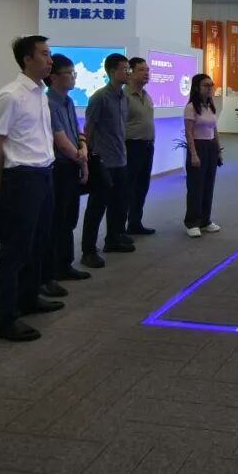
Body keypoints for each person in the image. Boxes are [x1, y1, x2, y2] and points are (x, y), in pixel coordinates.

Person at [0, 35, 63, 342]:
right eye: (44, 54)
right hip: (21, 178)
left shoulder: (40, 93)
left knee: (38, 242)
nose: (50, 60)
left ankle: (28, 298)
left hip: (44, 174)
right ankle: (5, 319)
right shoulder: (10, 96)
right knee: (15, 251)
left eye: (50, 54)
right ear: (27, 59)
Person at [43, 53, 91, 296]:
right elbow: (60, 141)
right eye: (69, 73)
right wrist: (80, 158)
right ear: (53, 77)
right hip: (58, 168)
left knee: (69, 218)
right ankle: (50, 271)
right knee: (57, 220)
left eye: (74, 73)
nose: (73, 77)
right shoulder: (48, 103)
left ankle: (65, 264)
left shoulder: (68, 101)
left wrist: (83, 151)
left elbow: (77, 131)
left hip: (72, 164)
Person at [81, 53, 134, 267]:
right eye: (125, 69)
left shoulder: (124, 98)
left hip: (120, 159)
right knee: (96, 208)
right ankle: (88, 251)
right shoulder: (99, 98)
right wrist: (88, 158)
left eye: (129, 69)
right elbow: (89, 128)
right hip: (103, 161)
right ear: (112, 72)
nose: (128, 73)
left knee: (119, 204)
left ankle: (113, 239)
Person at [183, 73, 223, 238]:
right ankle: (192, 222)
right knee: (195, 186)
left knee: (208, 185)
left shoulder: (210, 106)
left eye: (211, 85)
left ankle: (205, 221)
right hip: (198, 146)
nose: (209, 88)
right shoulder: (191, 107)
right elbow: (189, 133)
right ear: (196, 88)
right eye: (206, 85)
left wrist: (218, 150)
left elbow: (214, 129)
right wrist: (193, 154)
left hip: (211, 147)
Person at [124, 57, 156, 236]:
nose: (146, 73)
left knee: (142, 187)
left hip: (147, 146)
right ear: (130, 73)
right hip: (131, 147)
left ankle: (135, 223)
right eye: (142, 70)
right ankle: (119, 228)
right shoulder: (124, 96)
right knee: (127, 188)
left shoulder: (146, 95)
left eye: (148, 70)